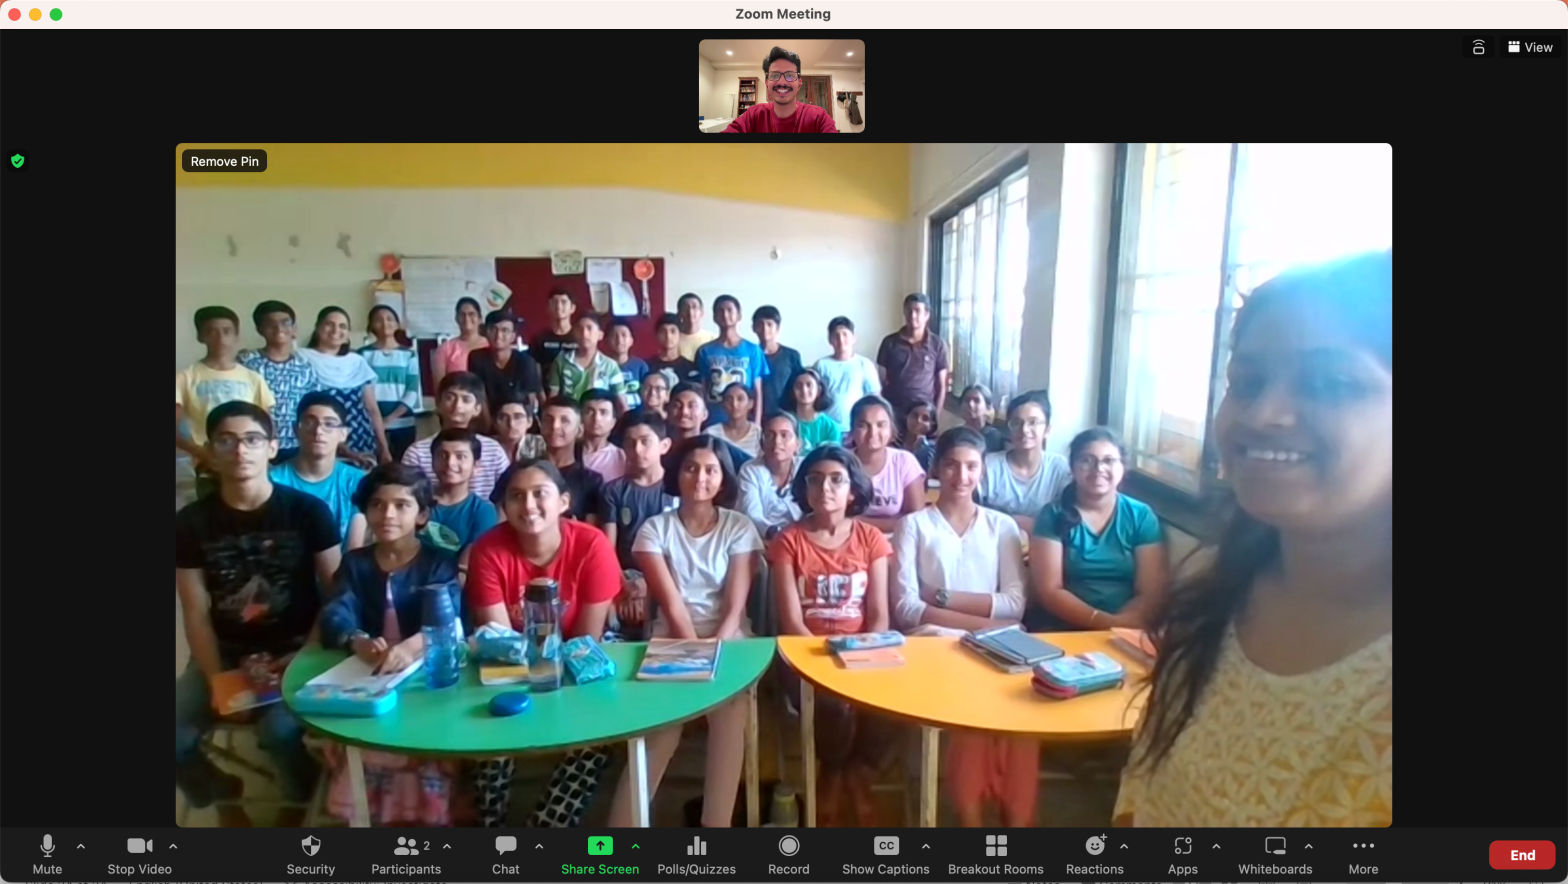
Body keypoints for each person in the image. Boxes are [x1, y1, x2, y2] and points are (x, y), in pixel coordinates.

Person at [1115, 251, 1393, 828]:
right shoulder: (1214, 597)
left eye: (1332, 384)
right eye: (1247, 381)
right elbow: (1143, 793)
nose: (1265, 412)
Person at [174, 401, 340, 827]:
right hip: (226, 651)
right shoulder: (191, 523)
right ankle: (222, 793)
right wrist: (218, 683)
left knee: (279, 732)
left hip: (299, 650)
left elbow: (337, 595)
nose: (239, 450)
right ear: (211, 450)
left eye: (251, 440)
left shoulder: (308, 512)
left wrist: (302, 656)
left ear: (272, 447)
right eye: (226, 441)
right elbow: (195, 612)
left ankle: (296, 805)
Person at [606, 436, 763, 827]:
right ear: (677, 473)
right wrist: (694, 653)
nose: (700, 478)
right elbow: (672, 604)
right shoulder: (654, 529)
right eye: (691, 468)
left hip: (731, 641)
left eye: (711, 469)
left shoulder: (739, 527)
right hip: (672, 639)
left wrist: (716, 649)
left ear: (723, 478)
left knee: (731, 720)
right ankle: (619, 834)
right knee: (661, 731)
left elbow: (735, 605)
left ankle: (715, 828)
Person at [889, 426, 1035, 827]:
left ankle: (1014, 824)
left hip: (1001, 647)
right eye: (951, 465)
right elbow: (905, 608)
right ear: (936, 468)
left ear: (982, 471)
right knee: (972, 715)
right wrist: (985, 624)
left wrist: (941, 597)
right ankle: (972, 824)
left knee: (1023, 723)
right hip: (933, 646)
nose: (962, 476)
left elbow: (1015, 603)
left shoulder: (1002, 526)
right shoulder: (914, 525)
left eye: (972, 466)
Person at [466, 457, 621, 828]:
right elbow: (503, 643)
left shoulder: (592, 545)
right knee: (494, 723)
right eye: (516, 496)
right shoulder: (488, 550)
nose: (529, 505)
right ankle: (493, 831)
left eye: (540, 494)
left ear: (564, 502)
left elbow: (586, 638)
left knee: (593, 735)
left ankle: (546, 828)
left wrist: (556, 686)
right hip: (513, 665)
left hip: (579, 654)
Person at [317, 463, 461, 826]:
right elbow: (337, 612)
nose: (388, 514)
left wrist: (410, 648)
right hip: (367, 670)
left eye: (401, 505)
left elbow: (446, 619)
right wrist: (357, 640)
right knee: (358, 734)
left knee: (420, 737)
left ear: (422, 515)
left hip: (424, 671)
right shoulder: (355, 563)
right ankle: (370, 817)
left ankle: (421, 819)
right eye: (378, 505)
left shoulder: (438, 564)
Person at [769, 444, 892, 826]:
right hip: (806, 656)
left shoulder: (871, 539)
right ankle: (838, 776)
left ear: (852, 490)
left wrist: (860, 654)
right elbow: (791, 623)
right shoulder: (788, 540)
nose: (826, 488)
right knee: (837, 705)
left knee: (894, 706)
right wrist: (826, 663)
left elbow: (879, 615)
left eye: (837, 480)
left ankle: (849, 775)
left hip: (863, 651)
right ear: (804, 488)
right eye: (816, 479)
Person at [176, 306, 277, 490]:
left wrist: (264, 454)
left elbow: (267, 422)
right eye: (211, 332)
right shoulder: (186, 377)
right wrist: (203, 454)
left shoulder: (252, 378)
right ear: (200, 336)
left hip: (248, 463)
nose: (220, 338)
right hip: (209, 466)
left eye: (226, 331)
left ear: (236, 335)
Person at [597, 410, 677, 635]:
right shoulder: (613, 490)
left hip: (670, 577)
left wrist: (650, 587)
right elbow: (607, 549)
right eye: (630, 443)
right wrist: (625, 585)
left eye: (645, 442)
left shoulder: (677, 489)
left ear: (664, 445)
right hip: (624, 578)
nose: (637, 450)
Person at [270, 392, 370, 550]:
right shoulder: (273, 481)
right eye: (309, 422)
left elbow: (353, 549)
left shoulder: (357, 481)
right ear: (296, 429)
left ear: (343, 434)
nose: (318, 431)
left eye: (329, 424)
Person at [299, 306, 391, 465]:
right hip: (320, 437)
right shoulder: (301, 358)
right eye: (329, 324)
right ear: (318, 328)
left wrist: (384, 448)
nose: (335, 330)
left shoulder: (357, 362)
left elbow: (372, 409)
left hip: (360, 439)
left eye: (342, 326)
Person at [402, 372, 511, 501]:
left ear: (477, 409)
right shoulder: (417, 453)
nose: (457, 406)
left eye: (466, 400)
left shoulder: (493, 450)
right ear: (438, 403)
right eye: (450, 398)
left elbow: (507, 494)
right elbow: (407, 497)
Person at [978, 389, 1072, 534]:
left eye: (1033, 422)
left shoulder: (1060, 468)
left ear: (1047, 430)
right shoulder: (989, 466)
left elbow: (1066, 519)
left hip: (1045, 545)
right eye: (1016, 423)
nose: (1024, 430)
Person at [239, 300, 320, 463]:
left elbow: (314, 404)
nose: (279, 329)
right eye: (271, 324)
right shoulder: (247, 362)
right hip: (258, 442)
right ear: (260, 330)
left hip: (297, 444)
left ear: (294, 328)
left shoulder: (304, 366)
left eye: (285, 323)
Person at [505, 395, 604, 525]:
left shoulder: (591, 480)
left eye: (565, 421)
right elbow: (501, 519)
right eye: (548, 420)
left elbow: (590, 531)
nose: (555, 426)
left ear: (579, 430)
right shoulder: (518, 471)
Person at [847, 395, 927, 532]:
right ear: (852, 431)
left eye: (881, 425)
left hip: (895, 540)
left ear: (891, 430)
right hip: (849, 541)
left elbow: (915, 520)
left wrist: (857, 522)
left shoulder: (904, 462)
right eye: (863, 425)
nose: (873, 433)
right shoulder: (840, 462)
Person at [721, 46, 840, 134]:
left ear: (799, 82)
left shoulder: (819, 117)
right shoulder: (753, 115)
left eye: (790, 75)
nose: (782, 82)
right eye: (774, 75)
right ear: (767, 82)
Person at [359, 304, 423, 462]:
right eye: (378, 320)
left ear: (397, 324)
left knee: (402, 470)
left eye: (390, 319)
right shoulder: (362, 355)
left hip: (403, 424)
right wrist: (378, 422)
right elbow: (361, 392)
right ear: (371, 325)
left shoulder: (409, 355)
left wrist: (388, 420)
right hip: (370, 425)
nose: (385, 323)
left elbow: (412, 391)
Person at [424, 427, 501, 553]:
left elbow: (473, 560)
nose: (450, 463)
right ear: (432, 462)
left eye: (460, 456)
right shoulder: (417, 504)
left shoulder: (483, 511)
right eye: (443, 455)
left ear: (476, 466)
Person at [694, 294, 767, 426]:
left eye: (729, 310)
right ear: (714, 317)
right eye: (720, 311)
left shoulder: (753, 350)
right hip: (713, 419)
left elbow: (757, 391)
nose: (725, 314)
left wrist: (757, 423)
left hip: (744, 421)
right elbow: (702, 390)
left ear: (739, 316)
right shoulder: (705, 351)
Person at [877, 293, 951, 418]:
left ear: (927, 315)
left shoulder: (937, 344)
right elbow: (881, 382)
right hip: (895, 413)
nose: (913, 315)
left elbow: (941, 386)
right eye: (909, 311)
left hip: (924, 415)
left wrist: (935, 418)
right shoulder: (889, 342)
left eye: (917, 311)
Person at [737, 412, 804, 542]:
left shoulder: (806, 468)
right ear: (761, 443)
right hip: (760, 540)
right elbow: (752, 515)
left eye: (784, 435)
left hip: (802, 540)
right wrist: (778, 536)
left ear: (797, 444)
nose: (777, 441)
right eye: (769, 435)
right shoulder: (750, 471)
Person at [548, 313, 629, 413]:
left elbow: (622, 404)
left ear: (600, 335)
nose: (584, 334)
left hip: (599, 418)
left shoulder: (610, 366)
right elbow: (553, 398)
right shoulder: (561, 362)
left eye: (589, 328)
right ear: (574, 333)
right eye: (579, 329)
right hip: (571, 418)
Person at [468, 310, 543, 417]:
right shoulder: (477, 358)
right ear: (485, 332)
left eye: (505, 330)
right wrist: (488, 424)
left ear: (513, 336)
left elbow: (529, 399)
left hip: (517, 417)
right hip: (486, 417)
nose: (498, 335)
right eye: (493, 329)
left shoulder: (526, 361)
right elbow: (479, 395)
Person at [813, 317, 881, 429]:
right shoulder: (821, 365)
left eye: (845, 334)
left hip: (855, 427)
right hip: (826, 428)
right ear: (829, 340)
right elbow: (813, 398)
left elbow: (874, 397)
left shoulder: (864, 364)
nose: (841, 339)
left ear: (854, 338)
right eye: (836, 335)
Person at [666, 382, 753, 470]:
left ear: (705, 414)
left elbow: (751, 465)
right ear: (667, 411)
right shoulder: (659, 447)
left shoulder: (716, 446)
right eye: (677, 406)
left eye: (692, 406)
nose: (684, 412)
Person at [752, 305, 804, 417]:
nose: (765, 329)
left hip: (785, 417)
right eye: (760, 324)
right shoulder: (750, 356)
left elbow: (799, 388)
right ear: (754, 328)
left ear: (778, 328)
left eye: (770, 324)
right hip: (753, 417)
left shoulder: (791, 356)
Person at [429, 297, 488, 391]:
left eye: (471, 314)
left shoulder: (490, 346)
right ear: (456, 318)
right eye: (462, 314)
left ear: (480, 318)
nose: (466, 318)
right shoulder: (445, 349)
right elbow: (439, 388)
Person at [782, 368, 844, 453]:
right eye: (798, 386)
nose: (804, 390)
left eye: (809, 385)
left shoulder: (831, 427)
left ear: (819, 391)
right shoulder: (784, 423)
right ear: (792, 392)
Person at [579, 389, 627, 482]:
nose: (596, 418)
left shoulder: (622, 457)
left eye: (603, 412)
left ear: (613, 421)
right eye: (589, 412)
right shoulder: (569, 453)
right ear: (580, 417)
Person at [706, 381, 762, 456]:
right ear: (723, 404)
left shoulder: (758, 434)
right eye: (729, 400)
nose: (734, 404)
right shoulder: (710, 433)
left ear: (750, 404)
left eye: (740, 399)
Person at [491, 390, 548, 463]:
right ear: (495, 422)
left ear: (529, 421)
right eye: (504, 418)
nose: (511, 424)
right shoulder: (487, 446)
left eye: (518, 417)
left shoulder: (541, 444)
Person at [648, 311, 701, 387]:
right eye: (663, 332)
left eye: (673, 331)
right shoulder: (647, 366)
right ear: (657, 335)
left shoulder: (690, 367)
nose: (668, 336)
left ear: (680, 334)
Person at [530, 291, 579, 371]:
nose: (559, 306)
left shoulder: (580, 338)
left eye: (563, 302)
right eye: (555, 302)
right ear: (548, 307)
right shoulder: (539, 339)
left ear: (572, 308)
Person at [607, 317, 649, 411]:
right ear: (607, 340)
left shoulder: (640, 366)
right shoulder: (603, 366)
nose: (619, 340)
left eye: (624, 335)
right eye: (614, 335)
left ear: (631, 341)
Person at [960, 383, 1007, 453]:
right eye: (967, 400)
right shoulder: (957, 433)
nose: (970, 404)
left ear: (987, 407)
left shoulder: (993, 436)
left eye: (976, 401)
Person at [899, 399, 938, 474]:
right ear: (906, 416)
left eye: (925, 418)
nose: (919, 421)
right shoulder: (894, 441)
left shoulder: (930, 451)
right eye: (914, 415)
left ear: (932, 425)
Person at [675, 293, 718, 361]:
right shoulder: (672, 339)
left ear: (702, 312)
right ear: (679, 313)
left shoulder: (713, 339)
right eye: (685, 308)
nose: (690, 312)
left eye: (694, 307)